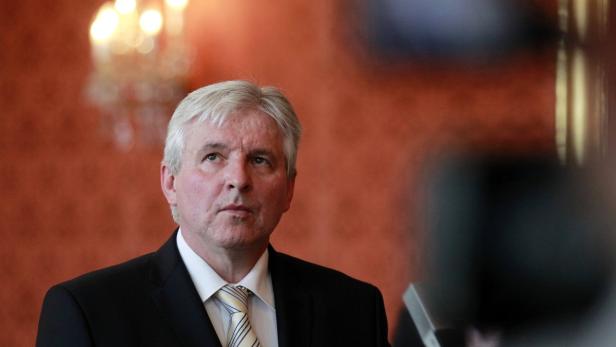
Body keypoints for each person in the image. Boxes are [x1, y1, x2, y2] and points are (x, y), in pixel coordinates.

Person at [36, 80, 390, 347]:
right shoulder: (88, 312)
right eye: (213, 157)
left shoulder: (354, 309)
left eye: (260, 160)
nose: (238, 179)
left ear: (289, 189)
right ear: (170, 182)